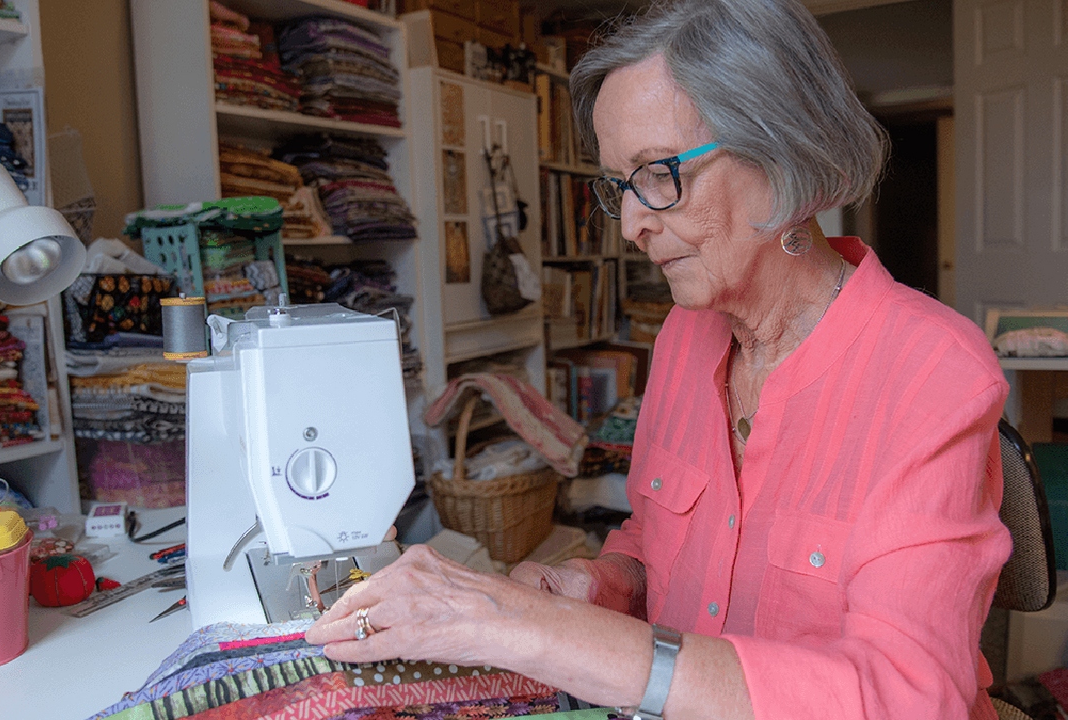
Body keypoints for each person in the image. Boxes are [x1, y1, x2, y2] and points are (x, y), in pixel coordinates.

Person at [306, 0, 1011, 717]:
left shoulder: (931, 371)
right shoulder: (683, 337)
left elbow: (905, 697)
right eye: (620, 186)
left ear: (782, 152)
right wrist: (601, 583)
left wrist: (539, 631)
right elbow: (658, 542)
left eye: (658, 174)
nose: (635, 224)